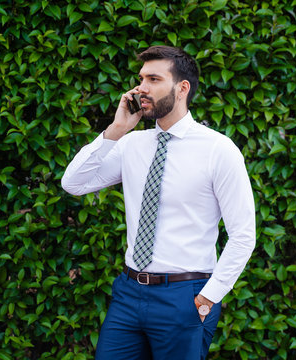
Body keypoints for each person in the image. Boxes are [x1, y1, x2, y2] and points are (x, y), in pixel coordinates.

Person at [61, 46, 256, 359]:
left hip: (185, 295)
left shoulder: (218, 150)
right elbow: (74, 183)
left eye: (153, 79)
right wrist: (116, 130)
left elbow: (243, 235)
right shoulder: (131, 145)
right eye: (141, 79)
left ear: (182, 88)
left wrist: (208, 297)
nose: (141, 88)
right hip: (128, 293)